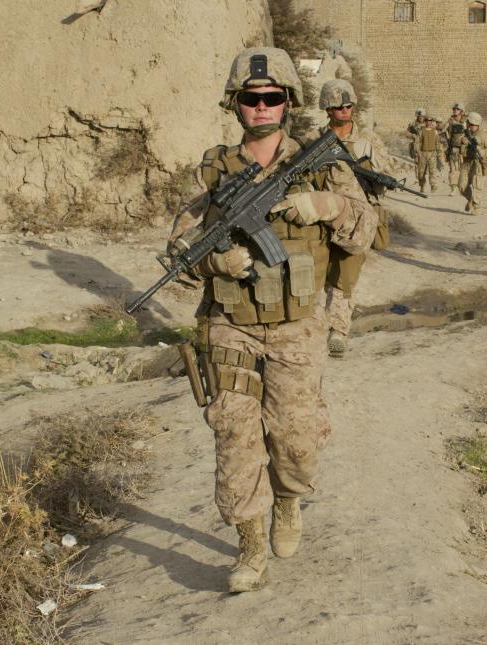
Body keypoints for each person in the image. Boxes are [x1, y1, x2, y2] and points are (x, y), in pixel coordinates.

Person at [167, 47, 378, 593]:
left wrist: (327, 207)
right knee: (234, 433)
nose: (261, 107)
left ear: (288, 102)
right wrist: (214, 260)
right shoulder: (214, 173)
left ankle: (288, 502)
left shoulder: (324, 166)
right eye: (250, 98)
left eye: (272, 97)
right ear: (235, 105)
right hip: (230, 323)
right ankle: (250, 546)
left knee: (298, 440)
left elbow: (366, 231)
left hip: (297, 323)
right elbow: (180, 252)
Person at [316, 78, 389, 357]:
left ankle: (338, 330)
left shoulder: (368, 140)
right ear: (327, 108)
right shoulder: (316, 141)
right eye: (338, 106)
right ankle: (315, 327)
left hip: (358, 220)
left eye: (348, 105)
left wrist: (370, 170)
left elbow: (385, 178)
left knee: (344, 276)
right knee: (316, 273)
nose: (344, 110)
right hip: (321, 217)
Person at [455, 112, 487, 215]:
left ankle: (477, 207)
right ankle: (470, 199)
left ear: (477, 124)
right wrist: (463, 140)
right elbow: (456, 142)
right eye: (469, 124)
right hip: (466, 162)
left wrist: (480, 151)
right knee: (461, 186)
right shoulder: (465, 133)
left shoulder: (483, 136)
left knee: (477, 185)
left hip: (477, 163)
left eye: (472, 124)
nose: (470, 126)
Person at [412, 116, 441, 193]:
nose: (428, 122)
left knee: (432, 171)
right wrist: (418, 152)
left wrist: (439, 153)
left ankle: (433, 186)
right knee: (421, 172)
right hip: (423, 153)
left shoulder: (435, 131)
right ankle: (422, 185)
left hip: (432, 153)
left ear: (432, 121)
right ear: (425, 122)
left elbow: (438, 143)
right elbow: (417, 142)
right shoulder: (421, 131)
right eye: (427, 120)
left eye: (430, 120)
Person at [444, 102, 467, 195]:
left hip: (463, 149)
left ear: (461, 111)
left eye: (457, 109)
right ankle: (453, 188)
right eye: (454, 109)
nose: (454, 111)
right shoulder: (450, 121)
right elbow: (444, 132)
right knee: (452, 170)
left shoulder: (466, 122)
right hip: (453, 148)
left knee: (463, 169)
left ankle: (463, 187)